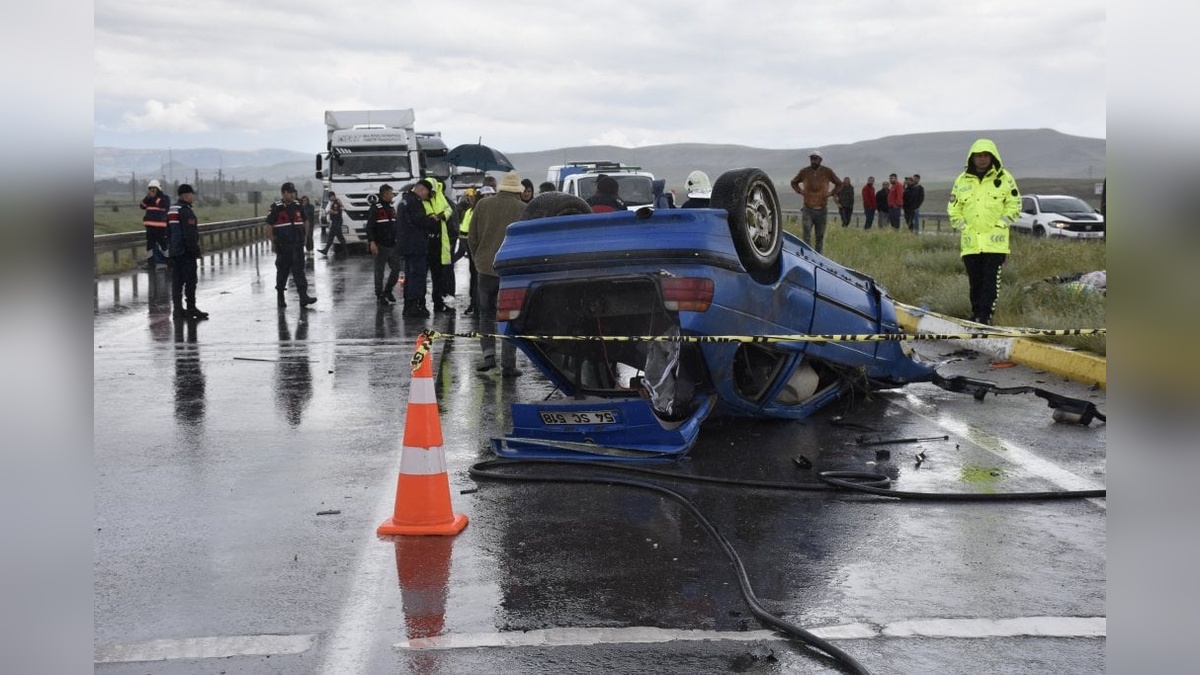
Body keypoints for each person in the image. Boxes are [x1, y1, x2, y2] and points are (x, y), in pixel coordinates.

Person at [947, 138, 1021, 326]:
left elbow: (1015, 205)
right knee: (975, 282)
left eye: (986, 156)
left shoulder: (1004, 178)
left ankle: (985, 316)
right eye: (978, 156)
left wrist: (1001, 223)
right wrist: (962, 225)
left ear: (992, 157)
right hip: (971, 243)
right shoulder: (962, 180)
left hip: (995, 243)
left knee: (990, 282)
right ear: (972, 158)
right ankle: (976, 315)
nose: (982, 159)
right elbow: (953, 207)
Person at [468, 171, 526, 376]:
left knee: (486, 314)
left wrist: (478, 259)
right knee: (509, 316)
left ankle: (488, 357)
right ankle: (508, 364)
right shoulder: (523, 209)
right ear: (517, 191)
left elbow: (472, 236)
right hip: (509, 272)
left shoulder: (483, 205)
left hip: (485, 269)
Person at [266, 182, 316, 308]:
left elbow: (305, 221)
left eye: (293, 192)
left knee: (299, 271)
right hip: (283, 246)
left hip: (297, 244)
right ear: (283, 193)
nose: (292, 195)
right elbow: (269, 226)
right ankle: (280, 297)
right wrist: (272, 242)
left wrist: (305, 237)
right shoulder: (276, 207)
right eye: (290, 192)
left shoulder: (298, 205)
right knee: (283, 271)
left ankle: (303, 296)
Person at [396, 179, 440, 318]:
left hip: (407, 245)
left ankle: (408, 306)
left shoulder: (404, 201)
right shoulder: (414, 202)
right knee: (417, 276)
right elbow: (418, 221)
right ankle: (413, 307)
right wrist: (432, 220)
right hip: (416, 245)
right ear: (421, 189)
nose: (427, 196)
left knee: (410, 275)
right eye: (427, 193)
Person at [166, 184, 207, 320]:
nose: (193, 196)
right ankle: (191, 308)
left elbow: (168, 232)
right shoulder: (185, 211)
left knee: (177, 282)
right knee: (190, 281)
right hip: (186, 252)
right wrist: (196, 251)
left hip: (174, 252)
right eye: (192, 194)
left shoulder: (172, 210)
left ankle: (177, 310)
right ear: (186, 195)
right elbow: (189, 234)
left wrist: (170, 251)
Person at [789, 150, 841, 253]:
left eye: (815, 158)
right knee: (806, 233)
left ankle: (818, 256)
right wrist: (800, 191)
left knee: (820, 235)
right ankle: (807, 255)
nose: (813, 160)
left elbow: (839, 183)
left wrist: (831, 193)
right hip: (808, 208)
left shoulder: (827, 171)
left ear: (820, 160)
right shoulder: (804, 171)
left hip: (822, 209)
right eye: (812, 158)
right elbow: (793, 182)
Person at [422, 176, 457, 312]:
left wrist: (441, 216)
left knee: (441, 275)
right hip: (427, 243)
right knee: (426, 275)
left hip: (441, 243)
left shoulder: (444, 201)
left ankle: (442, 300)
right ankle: (425, 302)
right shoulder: (421, 201)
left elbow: (451, 217)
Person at [366, 184, 401, 306]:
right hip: (380, 245)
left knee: (396, 269)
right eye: (391, 193)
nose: (392, 195)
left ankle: (388, 291)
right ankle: (379, 295)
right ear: (384, 194)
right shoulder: (375, 208)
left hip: (392, 244)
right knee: (379, 271)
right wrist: (372, 242)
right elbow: (369, 227)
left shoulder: (391, 208)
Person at [140, 179, 171, 267]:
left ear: (158, 189)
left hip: (160, 227)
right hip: (150, 227)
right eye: (150, 188)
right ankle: (151, 263)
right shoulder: (148, 198)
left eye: (154, 188)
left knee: (164, 245)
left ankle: (169, 261)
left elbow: (163, 205)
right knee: (150, 246)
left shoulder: (164, 198)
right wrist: (148, 197)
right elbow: (142, 206)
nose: (152, 190)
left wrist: (154, 197)